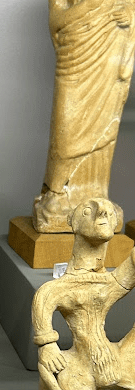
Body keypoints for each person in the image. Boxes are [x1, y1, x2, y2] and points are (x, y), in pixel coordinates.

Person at [32, 198, 135, 390]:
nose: (102, 213)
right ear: (73, 223)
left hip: (119, 359)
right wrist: (47, 346)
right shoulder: (58, 289)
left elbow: (124, 276)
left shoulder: (110, 282)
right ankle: (54, 385)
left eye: (110, 213)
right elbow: (43, 300)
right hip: (80, 366)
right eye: (89, 211)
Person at [33, 0, 135, 232]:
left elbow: (131, 9)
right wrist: (91, 7)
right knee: (65, 132)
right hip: (75, 54)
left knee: (104, 125)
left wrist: (129, 17)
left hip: (110, 52)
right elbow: (57, 21)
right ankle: (57, 194)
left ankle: (96, 194)